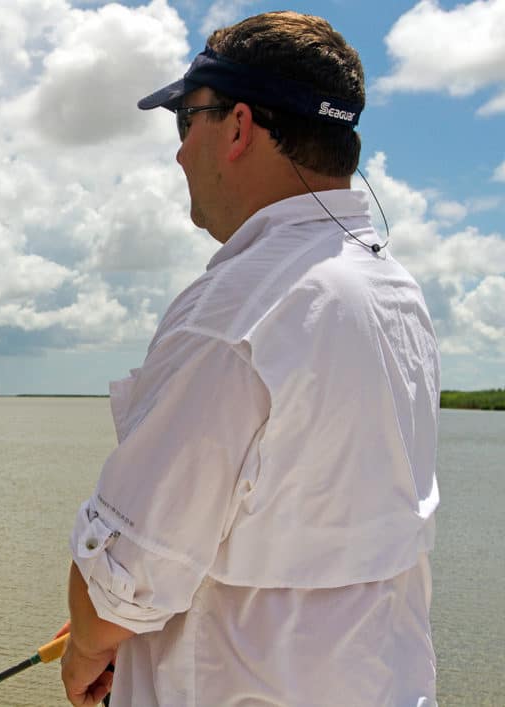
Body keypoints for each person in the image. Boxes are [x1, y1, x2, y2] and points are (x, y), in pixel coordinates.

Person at [60, 11, 440, 707]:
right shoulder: (397, 294)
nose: (178, 153)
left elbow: (119, 587)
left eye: (185, 121)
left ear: (237, 127)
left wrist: (87, 647)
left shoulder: (234, 313)